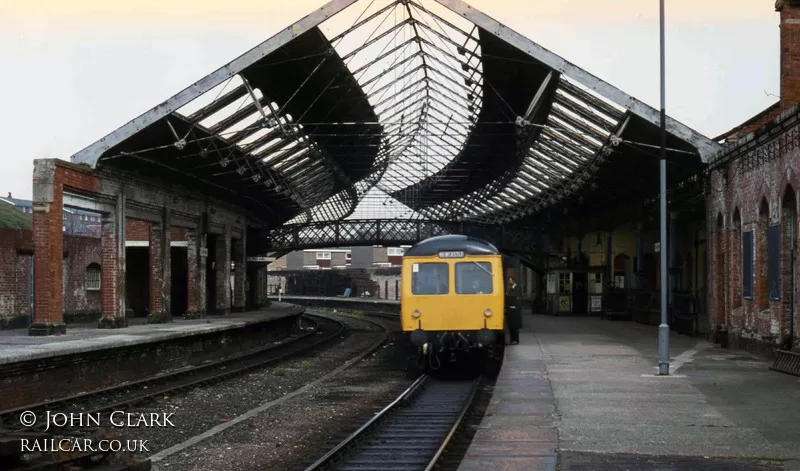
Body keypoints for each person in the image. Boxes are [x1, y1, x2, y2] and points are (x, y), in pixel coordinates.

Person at [505, 276, 522, 345]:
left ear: (513, 281)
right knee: (511, 327)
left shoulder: (517, 288)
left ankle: (516, 340)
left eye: (510, 281)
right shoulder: (510, 288)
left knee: (515, 327)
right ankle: (512, 340)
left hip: (515, 310)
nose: (509, 282)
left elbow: (516, 298)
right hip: (511, 310)